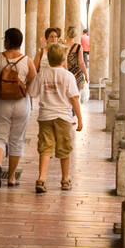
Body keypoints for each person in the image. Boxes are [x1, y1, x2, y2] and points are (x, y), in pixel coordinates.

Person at [0, 27, 36, 188]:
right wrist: (25, 90)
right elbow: (33, 80)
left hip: (0, 101)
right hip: (21, 103)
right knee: (17, 140)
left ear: (8, 41)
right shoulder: (27, 61)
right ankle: (11, 178)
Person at [30, 42, 83, 193]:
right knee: (64, 149)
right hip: (63, 117)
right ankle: (65, 179)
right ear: (64, 58)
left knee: (45, 148)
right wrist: (80, 118)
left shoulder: (42, 74)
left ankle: (41, 179)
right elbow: (74, 99)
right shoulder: (68, 76)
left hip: (45, 116)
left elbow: (33, 93)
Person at [64, 25, 87, 94]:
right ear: (75, 35)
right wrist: (86, 74)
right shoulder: (78, 47)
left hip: (65, 72)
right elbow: (81, 62)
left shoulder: (62, 46)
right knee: (76, 94)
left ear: (67, 34)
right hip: (76, 74)